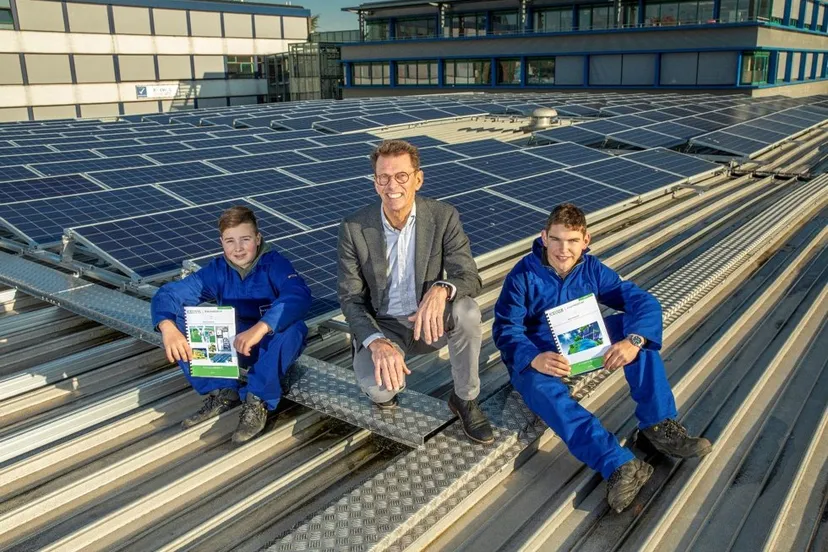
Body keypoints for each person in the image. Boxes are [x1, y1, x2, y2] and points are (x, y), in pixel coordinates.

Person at [492, 203, 712, 513]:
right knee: (544, 393)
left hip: (582, 341)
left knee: (638, 334)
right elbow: (505, 329)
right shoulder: (523, 275)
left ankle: (658, 425)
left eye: (572, 241)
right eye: (556, 239)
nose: (563, 249)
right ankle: (618, 464)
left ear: (586, 240)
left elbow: (642, 301)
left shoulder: (593, 269)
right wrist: (533, 357)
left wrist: (633, 341)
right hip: (542, 353)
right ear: (544, 237)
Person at [337, 139, 494, 444]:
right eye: (383, 177)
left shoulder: (442, 216)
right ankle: (382, 365)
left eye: (401, 176)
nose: (392, 185)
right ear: (375, 183)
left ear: (418, 179)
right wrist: (376, 342)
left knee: (467, 311)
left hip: (427, 323)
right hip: (384, 328)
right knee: (382, 392)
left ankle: (465, 398)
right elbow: (350, 298)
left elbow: (469, 276)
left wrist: (441, 289)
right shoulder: (354, 227)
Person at [151, 206, 311, 444]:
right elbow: (169, 294)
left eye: (245, 239)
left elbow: (298, 295)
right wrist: (167, 327)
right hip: (231, 345)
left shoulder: (275, 264)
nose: (238, 248)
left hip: (267, 346)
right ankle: (222, 390)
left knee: (294, 328)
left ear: (257, 238)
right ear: (222, 242)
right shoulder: (217, 270)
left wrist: (261, 327)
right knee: (181, 319)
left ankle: (257, 400)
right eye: (230, 241)